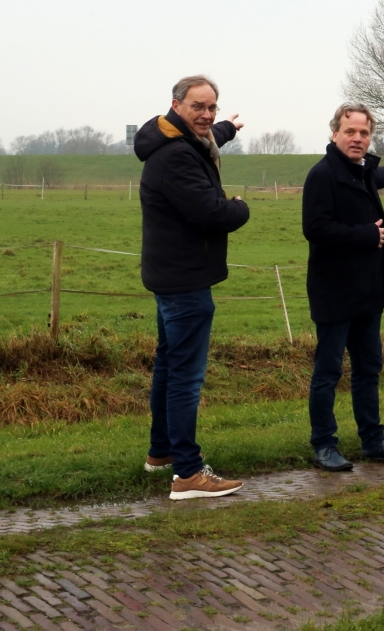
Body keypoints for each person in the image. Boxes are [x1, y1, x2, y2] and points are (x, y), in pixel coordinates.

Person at [134, 74, 251, 500]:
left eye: (211, 107)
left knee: (168, 365)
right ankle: (188, 473)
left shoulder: (170, 140)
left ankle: (162, 451)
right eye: (197, 106)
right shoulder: (178, 157)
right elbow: (211, 213)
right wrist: (239, 207)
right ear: (176, 105)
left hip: (170, 275)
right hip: (186, 280)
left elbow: (205, 136)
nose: (206, 114)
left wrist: (227, 128)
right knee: (186, 377)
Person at [302, 102, 384, 472]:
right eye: (350, 131)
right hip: (334, 291)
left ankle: (373, 441)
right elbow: (315, 228)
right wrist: (366, 235)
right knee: (328, 372)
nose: (357, 138)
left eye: (364, 133)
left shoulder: (364, 171)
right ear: (334, 133)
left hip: (368, 290)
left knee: (368, 369)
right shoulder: (322, 175)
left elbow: (376, 175)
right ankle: (324, 445)